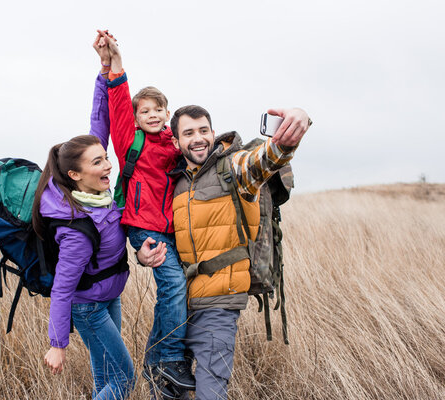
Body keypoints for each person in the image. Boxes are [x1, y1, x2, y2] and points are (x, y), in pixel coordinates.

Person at [32, 33, 167, 400]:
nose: (108, 163)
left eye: (105, 157)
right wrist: (58, 343)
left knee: (105, 380)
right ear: (75, 174)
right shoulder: (77, 228)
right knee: (124, 381)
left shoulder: (97, 189)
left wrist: (105, 70)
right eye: (99, 161)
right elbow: (62, 289)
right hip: (89, 307)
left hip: (110, 295)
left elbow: (100, 120)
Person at [168, 105, 311, 400]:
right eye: (189, 133)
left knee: (211, 391)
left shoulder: (233, 168)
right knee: (167, 388)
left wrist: (288, 137)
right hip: (177, 307)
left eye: (204, 131)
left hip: (219, 305)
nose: (198, 139)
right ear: (176, 141)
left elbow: (266, 159)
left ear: (212, 132)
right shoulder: (176, 182)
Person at [99, 31, 196, 395]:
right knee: (173, 285)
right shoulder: (130, 142)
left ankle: (157, 363)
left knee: (176, 290)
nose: (152, 115)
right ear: (137, 118)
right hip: (143, 227)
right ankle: (169, 357)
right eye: (145, 111)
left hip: (172, 230)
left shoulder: (173, 147)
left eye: (158, 110)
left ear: (167, 114)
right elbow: (119, 105)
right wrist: (116, 65)